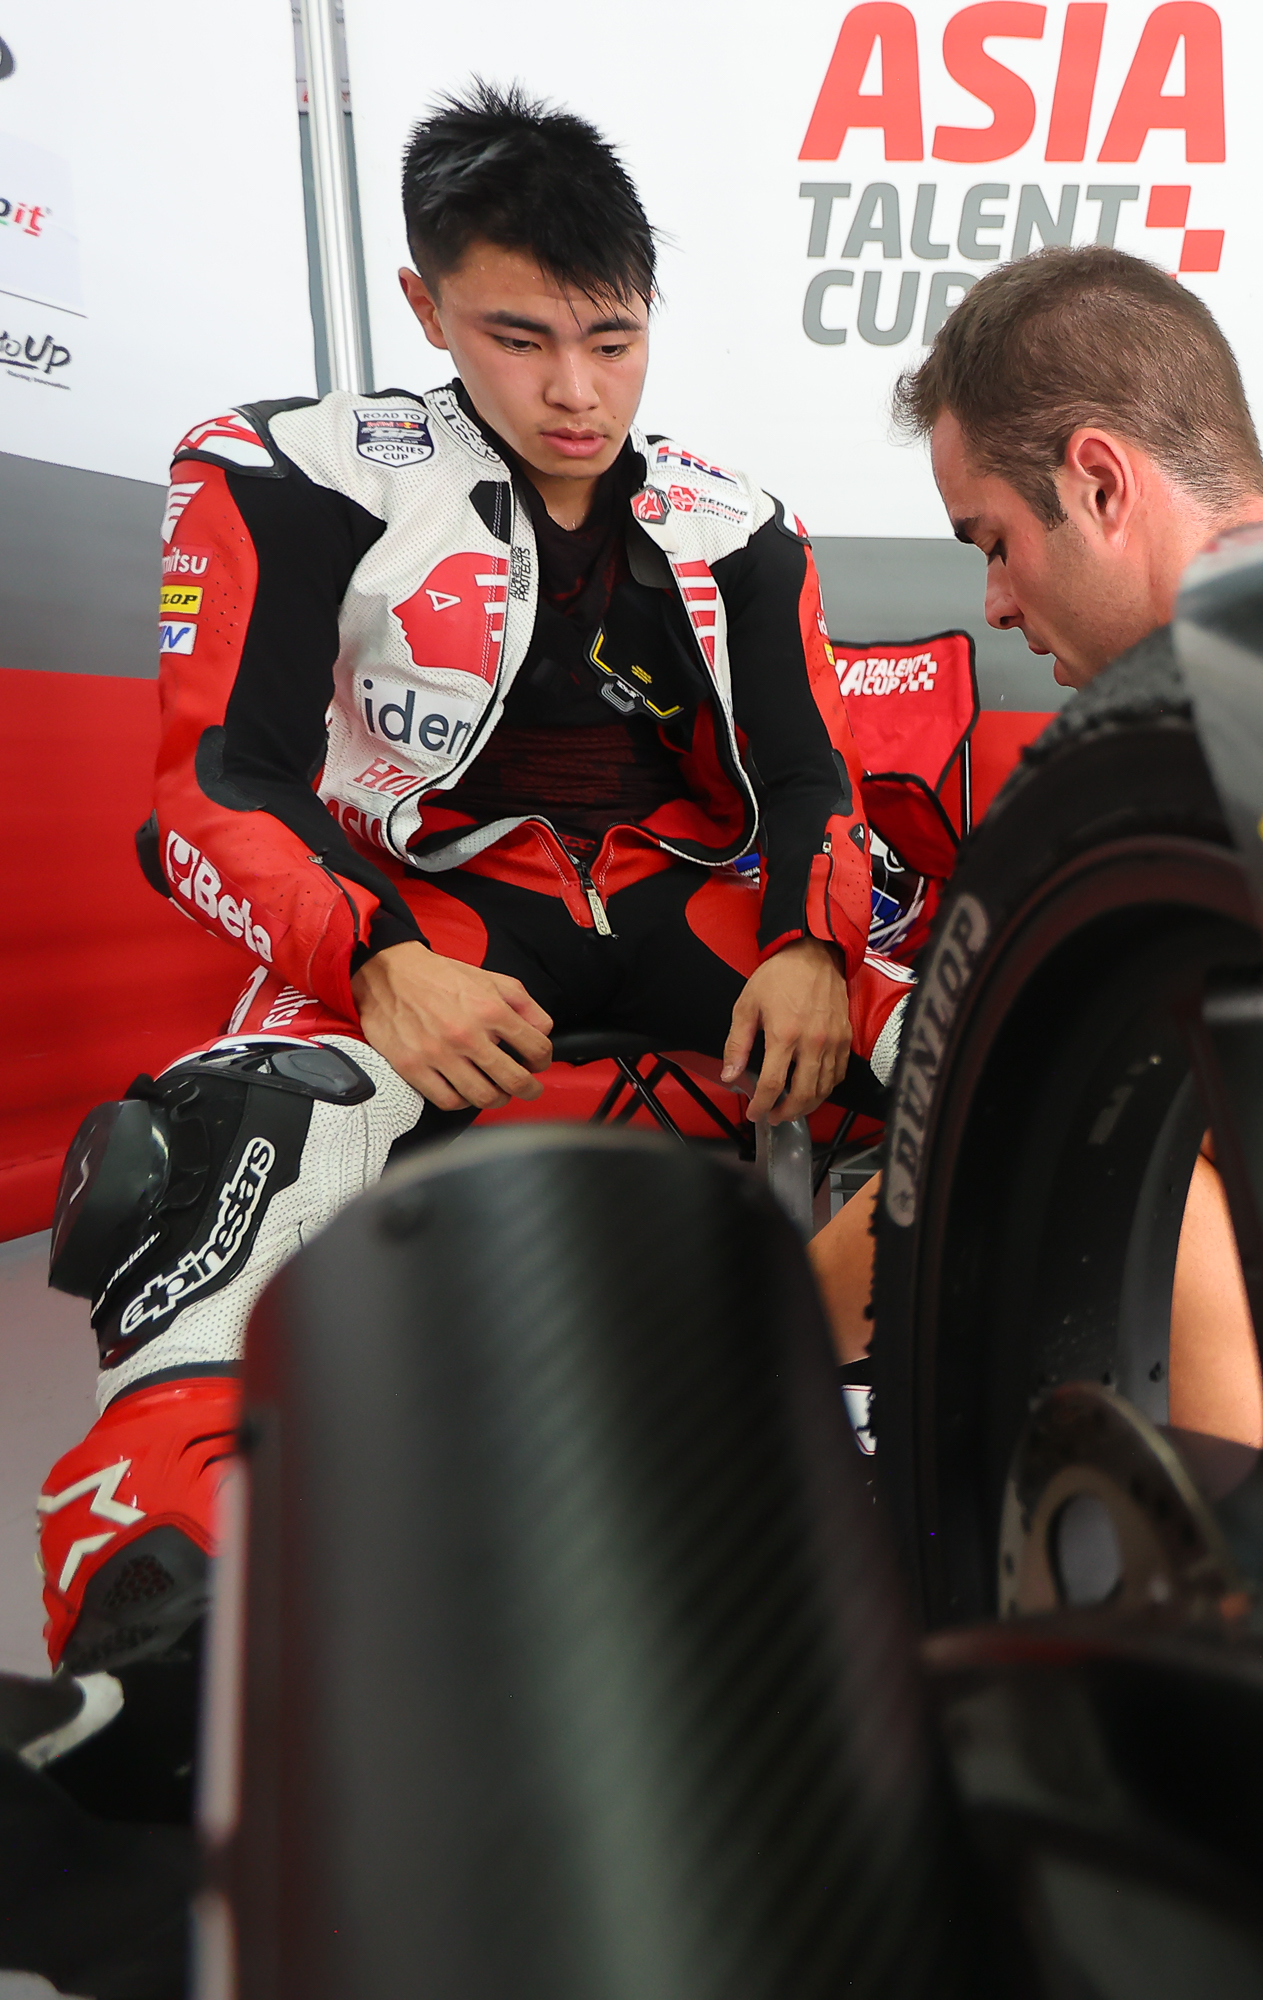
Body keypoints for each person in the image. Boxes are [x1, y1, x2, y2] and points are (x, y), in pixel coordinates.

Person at [34, 84, 909, 1749]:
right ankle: (161, 1660)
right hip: (424, 908)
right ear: (427, 308)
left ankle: (917, 1510)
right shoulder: (286, 477)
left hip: (694, 915)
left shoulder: (742, 522)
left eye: (613, 339)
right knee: (203, 1147)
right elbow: (211, 788)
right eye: (520, 339)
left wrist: (812, 938)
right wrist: (374, 957)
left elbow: (816, 786)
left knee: (958, 1042)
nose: (576, 391)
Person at [806, 244, 1263, 1444]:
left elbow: (980, 1145)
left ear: (1103, 483)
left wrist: (724, 1358)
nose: (994, 605)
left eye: (993, 543)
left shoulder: (1161, 766)